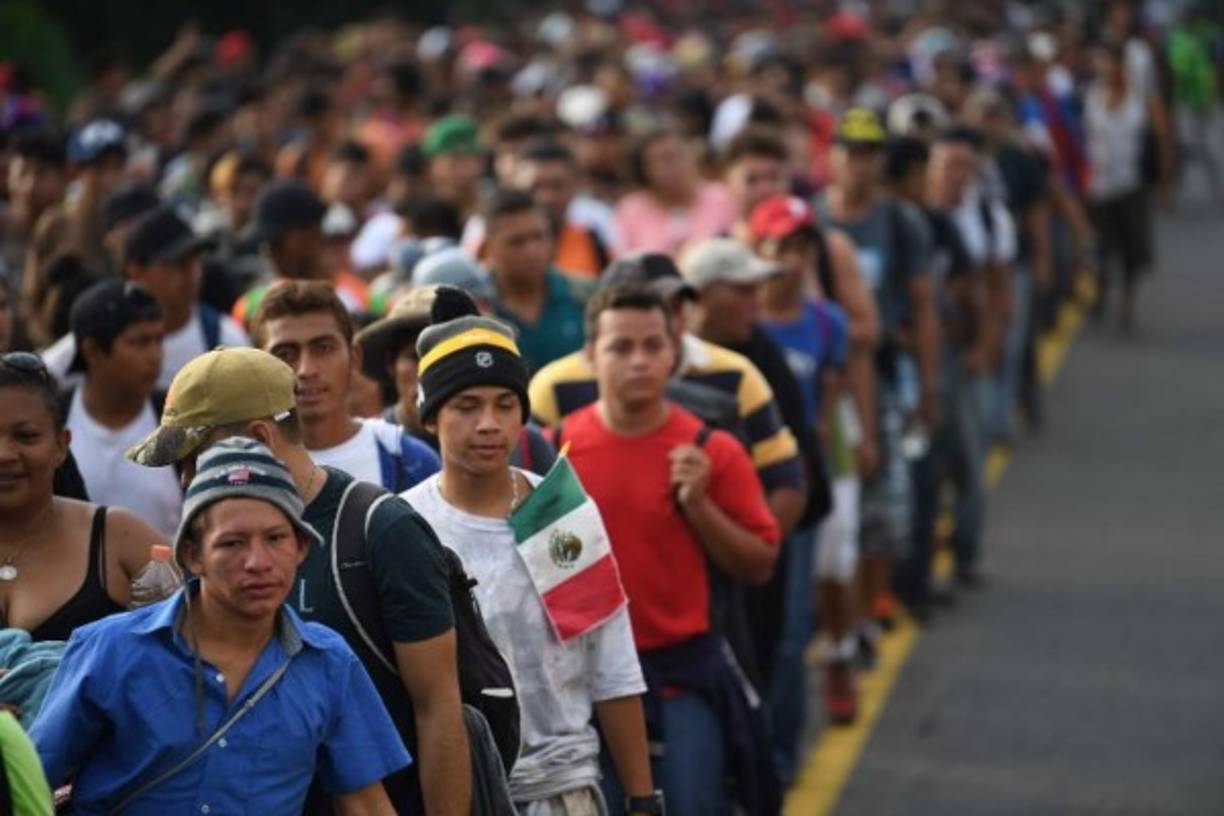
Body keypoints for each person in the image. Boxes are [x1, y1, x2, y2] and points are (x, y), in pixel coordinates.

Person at [125, 347, 470, 815]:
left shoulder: (380, 529)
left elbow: (439, 708)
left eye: (194, 457)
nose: (185, 479)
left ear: (259, 438)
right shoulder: (208, 540)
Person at [32, 438, 409, 814]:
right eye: (232, 543)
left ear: (301, 549)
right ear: (193, 556)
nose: (258, 562)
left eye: (276, 538)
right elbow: (29, 781)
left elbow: (366, 805)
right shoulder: (111, 649)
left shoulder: (328, 662)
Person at [403, 291, 658, 815]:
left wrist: (641, 799)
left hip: (563, 792)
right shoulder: (405, 525)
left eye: (505, 404)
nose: (489, 424)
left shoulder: (556, 510)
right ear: (430, 416)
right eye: (466, 407)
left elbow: (610, 663)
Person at [560, 283, 781, 815]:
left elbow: (761, 563)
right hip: (582, 685)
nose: (639, 360)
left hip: (681, 678)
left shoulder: (712, 450)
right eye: (621, 346)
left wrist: (700, 505)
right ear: (591, 356)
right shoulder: (553, 451)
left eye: (652, 345)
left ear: (673, 353)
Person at [816, 108, 941, 637]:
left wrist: (928, 386)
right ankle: (834, 616)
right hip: (822, 379)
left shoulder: (900, 222)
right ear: (833, 156)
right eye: (850, 151)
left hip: (881, 375)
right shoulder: (810, 220)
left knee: (883, 492)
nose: (858, 163)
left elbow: (923, 304)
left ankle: (874, 602)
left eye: (869, 154)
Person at [750, 195, 862, 739]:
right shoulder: (745, 322)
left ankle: (784, 745)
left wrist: (855, 445)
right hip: (748, 485)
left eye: (802, 248)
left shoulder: (827, 321)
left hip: (802, 481)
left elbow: (830, 394)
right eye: (781, 247)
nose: (792, 260)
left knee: (801, 614)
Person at [0, 350, 161, 641]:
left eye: (26, 436)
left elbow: (204, 640)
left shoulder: (119, 538)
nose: (5, 455)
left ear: (61, 445)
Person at [249, 280, 439, 492]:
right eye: (285, 354)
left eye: (323, 348)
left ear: (354, 358)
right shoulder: (244, 471)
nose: (306, 370)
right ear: (258, 367)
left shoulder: (410, 461)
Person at [355, 284, 557, 475]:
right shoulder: (368, 447)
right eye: (416, 357)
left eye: (451, 358)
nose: (429, 371)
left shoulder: (527, 447)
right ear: (391, 364)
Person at [42, 205, 251, 389]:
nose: (190, 274)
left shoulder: (223, 337)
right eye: (176, 263)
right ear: (135, 271)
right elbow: (41, 378)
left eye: (194, 261)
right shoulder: (101, 334)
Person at [57, 280, 183, 539]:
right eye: (139, 342)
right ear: (93, 351)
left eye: (158, 340)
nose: (155, 355)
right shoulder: (53, 421)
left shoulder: (180, 421)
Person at [24, 119, 128, 346]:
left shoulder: (131, 223)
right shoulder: (55, 224)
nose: (109, 178)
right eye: (99, 168)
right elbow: (31, 300)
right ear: (78, 171)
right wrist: (52, 351)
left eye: (117, 167)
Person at [1084, 39, 1162, 330]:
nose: (1107, 68)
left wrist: (1161, 181)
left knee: (1132, 249)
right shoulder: (1092, 95)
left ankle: (1127, 300)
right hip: (1099, 185)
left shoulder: (1140, 99)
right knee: (1101, 247)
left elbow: (1161, 136)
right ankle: (1101, 289)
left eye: (1112, 62)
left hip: (1131, 185)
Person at [481, 189, 595, 372]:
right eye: (517, 242)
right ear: (489, 247)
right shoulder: (474, 308)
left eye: (539, 237)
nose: (532, 251)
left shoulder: (586, 296)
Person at [231, 180, 367, 325]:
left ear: (311, 234)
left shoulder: (360, 299)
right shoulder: (250, 308)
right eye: (266, 245)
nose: (271, 253)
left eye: (278, 242)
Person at [614, 127, 737, 256]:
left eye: (678, 156)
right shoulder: (631, 211)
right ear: (645, 170)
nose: (673, 167)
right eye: (662, 161)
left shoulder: (722, 198)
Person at [508, 139, 614, 278]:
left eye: (557, 185)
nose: (546, 197)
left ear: (575, 186)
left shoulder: (593, 241)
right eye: (536, 187)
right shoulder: (490, 244)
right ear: (514, 186)